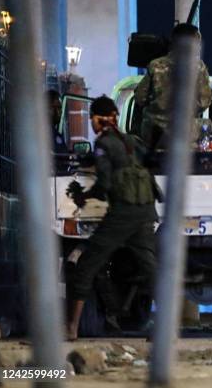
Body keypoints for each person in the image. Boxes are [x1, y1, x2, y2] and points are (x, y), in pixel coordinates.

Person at [65, 96, 158, 341]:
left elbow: (105, 183)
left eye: (92, 118)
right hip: (146, 211)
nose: (91, 124)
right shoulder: (130, 141)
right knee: (152, 268)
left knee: (87, 265)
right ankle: (165, 326)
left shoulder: (103, 144)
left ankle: (72, 328)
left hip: (123, 213)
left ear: (99, 118)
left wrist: (84, 196)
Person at [134, 23, 212, 150]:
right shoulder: (198, 67)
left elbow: (140, 98)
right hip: (182, 131)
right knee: (207, 125)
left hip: (153, 133)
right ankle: (200, 152)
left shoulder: (155, 65)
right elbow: (204, 102)